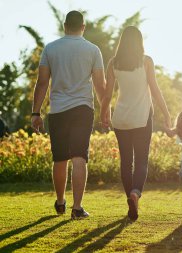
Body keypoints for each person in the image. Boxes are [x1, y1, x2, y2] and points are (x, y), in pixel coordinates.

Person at [31, 11, 106, 219]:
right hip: (83, 109)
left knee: (60, 158)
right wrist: (106, 110)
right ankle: (77, 208)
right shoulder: (93, 50)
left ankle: (61, 202)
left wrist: (35, 112)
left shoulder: (51, 48)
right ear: (83, 27)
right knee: (80, 156)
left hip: (58, 110)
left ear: (65, 26)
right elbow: (100, 85)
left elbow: (42, 83)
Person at [100, 26, 171, 221]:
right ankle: (135, 193)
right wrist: (166, 114)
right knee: (141, 160)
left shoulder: (114, 63)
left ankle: (131, 199)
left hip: (121, 118)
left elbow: (107, 95)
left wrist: (103, 114)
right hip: (141, 117)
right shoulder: (146, 61)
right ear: (140, 42)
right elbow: (155, 90)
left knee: (126, 161)